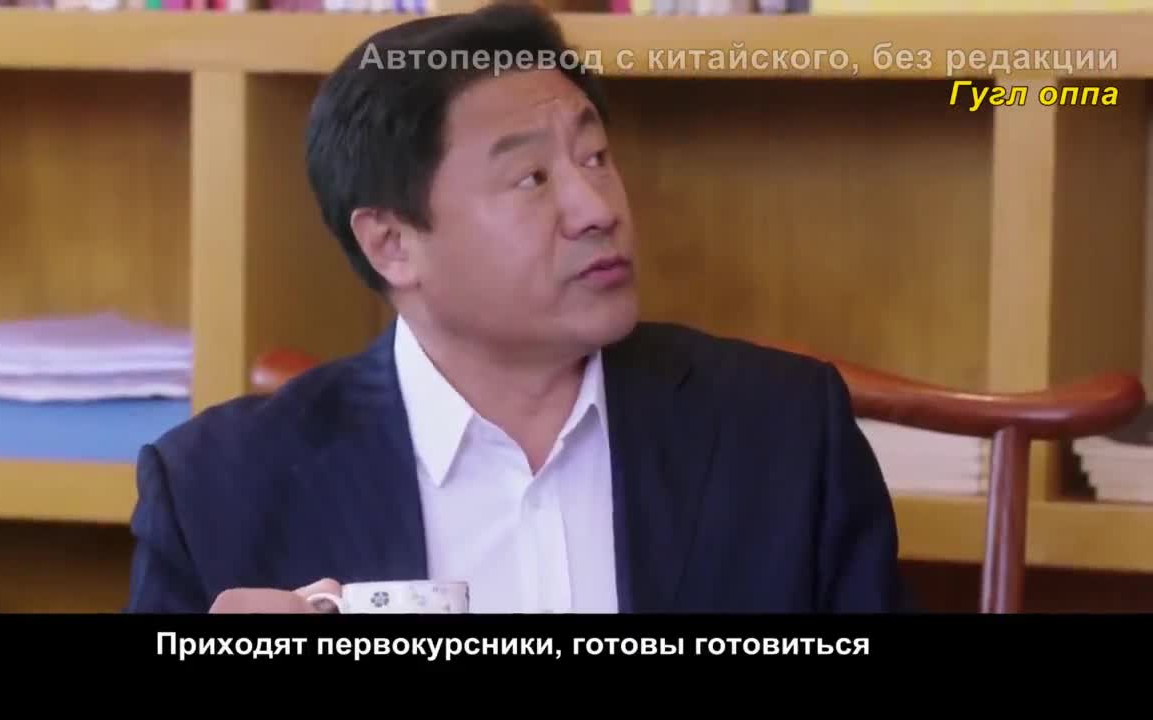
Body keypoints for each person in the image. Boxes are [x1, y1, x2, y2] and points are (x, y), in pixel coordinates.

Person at [124, 1, 910, 614]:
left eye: (595, 157)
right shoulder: (215, 491)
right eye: (532, 179)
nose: (596, 208)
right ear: (392, 244)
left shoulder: (783, 432)